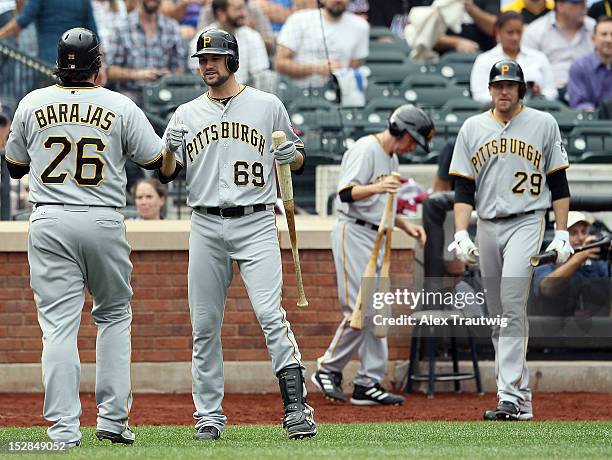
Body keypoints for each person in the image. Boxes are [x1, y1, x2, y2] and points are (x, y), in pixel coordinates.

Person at [3, 27, 176, 446]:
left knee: (59, 327)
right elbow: (158, 162)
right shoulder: (119, 104)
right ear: (98, 66)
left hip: (49, 219)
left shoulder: (32, 101)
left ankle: (63, 432)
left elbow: (13, 166)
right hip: (102, 216)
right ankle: (113, 422)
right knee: (114, 316)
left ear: (58, 65)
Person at [158, 28, 317, 441]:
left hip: (256, 218)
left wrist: (292, 156)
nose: (207, 65)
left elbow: (298, 157)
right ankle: (208, 415)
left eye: (214, 57)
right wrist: (170, 150)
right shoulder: (186, 113)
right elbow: (166, 173)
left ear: (232, 60)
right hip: (206, 222)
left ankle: (297, 407)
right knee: (205, 324)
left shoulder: (266, 105)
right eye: (202, 59)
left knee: (269, 315)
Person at [448, 59, 571, 421]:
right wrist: (460, 232)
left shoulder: (543, 123)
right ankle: (521, 399)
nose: (505, 91)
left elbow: (559, 184)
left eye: (511, 85)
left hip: (527, 220)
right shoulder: (472, 128)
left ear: (522, 89)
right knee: (498, 313)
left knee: (513, 304)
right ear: (489, 90)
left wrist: (561, 232)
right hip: (486, 223)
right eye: (499, 85)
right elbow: (462, 187)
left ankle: (509, 396)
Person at [311, 104, 428, 405]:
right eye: (413, 139)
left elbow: (382, 206)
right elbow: (345, 193)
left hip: (376, 232)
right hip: (354, 231)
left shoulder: (392, 157)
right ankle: (328, 368)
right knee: (359, 309)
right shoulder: (366, 149)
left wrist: (406, 226)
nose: (413, 146)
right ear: (401, 130)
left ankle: (368, 382)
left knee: (377, 311)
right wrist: (376, 188)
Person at [275, 0, 369, 88]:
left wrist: (341, 71)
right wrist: (316, 69)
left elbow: (353, 68)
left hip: (339, 91)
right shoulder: (298, 19)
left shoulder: (360, 26)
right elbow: (279, 63)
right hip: (299, 91)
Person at [106, 0, 186, 104]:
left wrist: (169, 76)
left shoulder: (172, 27)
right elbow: (109, 71)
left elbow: (180, 69)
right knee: (127, 105)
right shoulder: (122, 27)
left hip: (163, 93)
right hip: (130, 94)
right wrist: (138, 74)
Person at [532, 211, 610, 317]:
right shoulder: (546, 263)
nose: (581, 238)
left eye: (583, 232)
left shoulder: (597, 265)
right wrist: (579, 258)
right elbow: (547, 288)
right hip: (556, 330)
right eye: (573, 233)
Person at [470, 12, 557, 105]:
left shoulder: (539, 57)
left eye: (519, 32)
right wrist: (506, 97)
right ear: (498, 32)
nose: (515, 37)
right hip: (498, 113)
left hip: (536, 110)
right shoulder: (484, 59)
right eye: (510, 32)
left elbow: (552, 91)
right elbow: (479, 95)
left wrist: (540, 95)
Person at [189, 0, 269, 83]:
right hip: (212, 93)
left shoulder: (253, 36)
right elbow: (200, 80)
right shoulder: (202, 39)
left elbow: (259, 77)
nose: (243, 14)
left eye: (243, 8)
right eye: (238, 9)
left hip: (246, 92)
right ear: (221, 13)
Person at [522, 0, 595, 89]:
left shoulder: (595, 28)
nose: (585, 7)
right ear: (560, 5)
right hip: (551, 94)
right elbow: (528, 70)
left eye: (585, 2)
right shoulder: (535, 31)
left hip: (591, 92)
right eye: (577, 3)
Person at [0, 0, 98, 65]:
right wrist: (99, 63)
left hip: (50, 61)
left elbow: (21, 21)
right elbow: (94, 34)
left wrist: (1, 34)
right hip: (78, 60)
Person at [567, 16, 612, 111]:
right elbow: (578, 104)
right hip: (590, 123)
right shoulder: (579, 66)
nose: (609, 40)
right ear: (593, 39)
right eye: (604, 34)